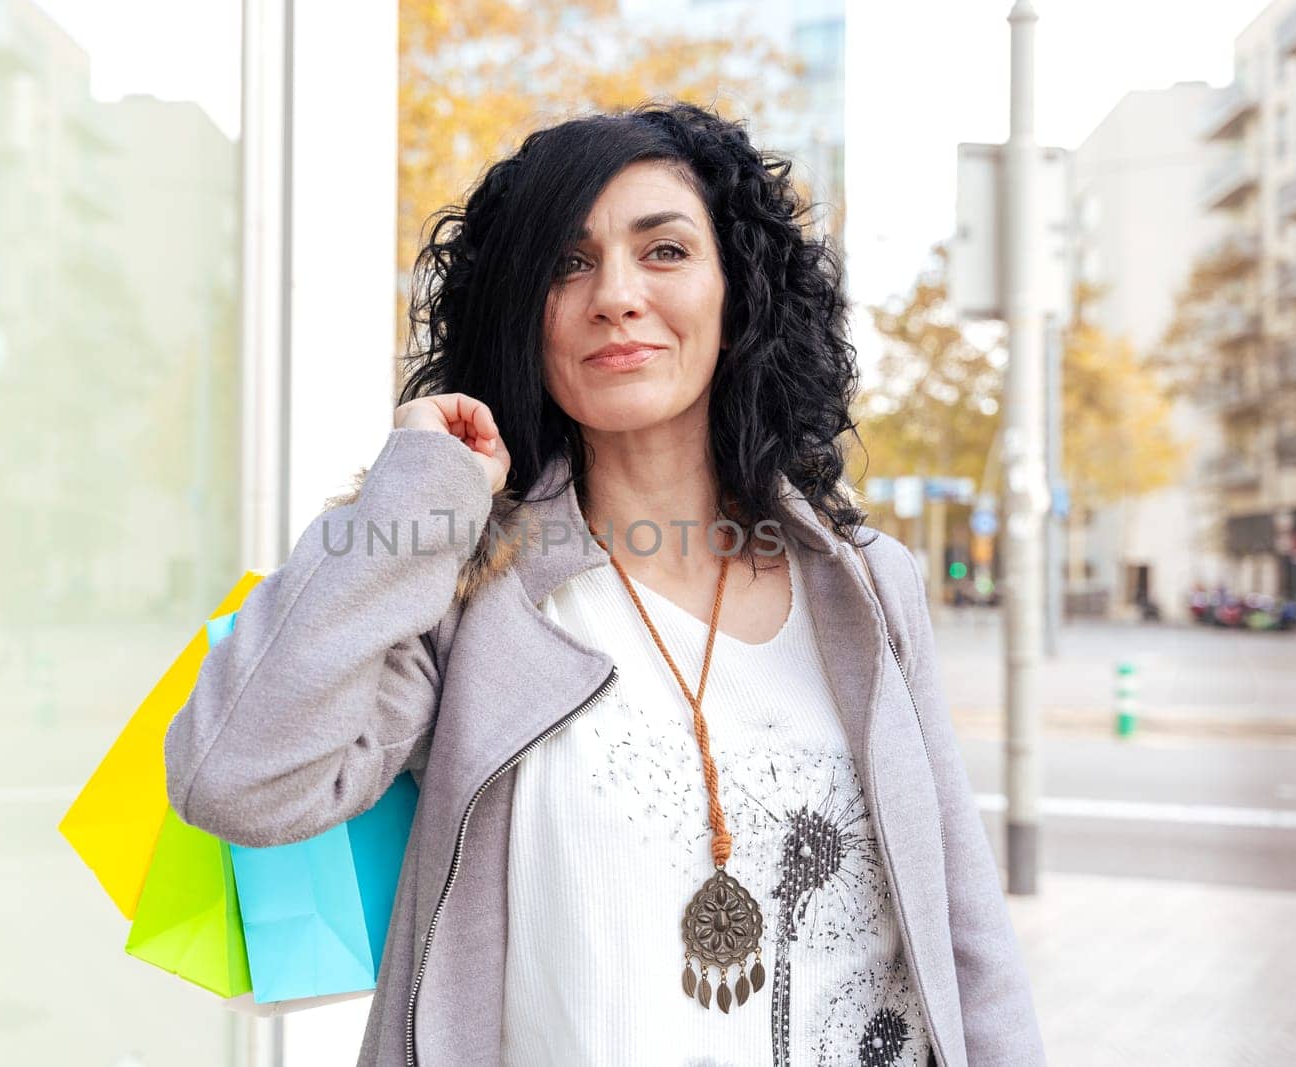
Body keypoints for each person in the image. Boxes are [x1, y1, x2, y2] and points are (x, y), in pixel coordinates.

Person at [163, 101, 1044, 1067]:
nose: (616, 294)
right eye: (567, 264)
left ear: (735, 293)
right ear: (523, 311)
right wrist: (412, 495)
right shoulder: (473, 592)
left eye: (663, 251)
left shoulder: (864, 583)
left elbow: (966, 935)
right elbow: (236, 778)